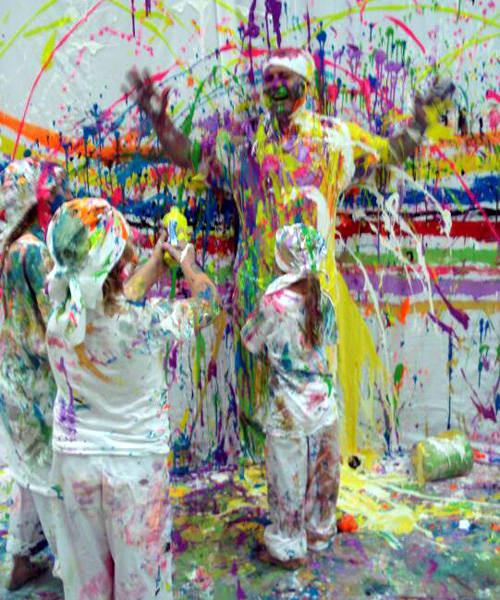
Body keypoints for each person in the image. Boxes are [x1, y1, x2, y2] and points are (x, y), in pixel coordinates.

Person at [126, 48, 454, 454]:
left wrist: (420, 124)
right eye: (270, 79)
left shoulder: (335, 140)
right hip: (256, 296)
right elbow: (191, 156)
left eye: (285, 77)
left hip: (315, 300)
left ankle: (315, 478)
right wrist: (161, 124)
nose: (276, 86)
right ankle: (260, 478)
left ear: (306, 83)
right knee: (257, 402)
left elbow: (389, 154)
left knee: (316, 403)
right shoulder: (245, 145)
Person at [45, 197, 220, 600]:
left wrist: (156, 262)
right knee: (141, 589)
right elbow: (209, 304)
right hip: (135, 474)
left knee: (85, 589)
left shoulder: (61, 319)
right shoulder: (148, 323)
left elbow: (111, 300)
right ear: (116, 260)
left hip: (76, 467)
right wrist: (187, 263)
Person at [241, 223, 339, 570]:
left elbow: (250, 341)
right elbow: (329, 345)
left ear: (288, 259)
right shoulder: (324, 299)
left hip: (288, 409)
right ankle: (319, 534)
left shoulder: (273, 303)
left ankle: (287, 549)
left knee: (288, 483)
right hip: (324, 407)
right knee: (321, 480)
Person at [0, 157, 65, 590]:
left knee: (26, 472)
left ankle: (21, 559)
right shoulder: (33, 252)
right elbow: (53, 320)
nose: (58, 197)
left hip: (11, 376)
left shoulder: (7, 246)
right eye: (52, 191)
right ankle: (73, 573)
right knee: (49, 480)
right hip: (35, 380)